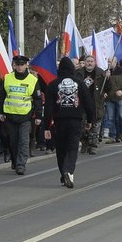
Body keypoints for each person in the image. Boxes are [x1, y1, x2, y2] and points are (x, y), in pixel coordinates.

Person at [43, 57, 94, 189]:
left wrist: (46, 126)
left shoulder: (53, 84)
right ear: (72, 68)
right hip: (75, 120)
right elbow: (89, 103)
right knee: (72, 147)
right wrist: (90, 120)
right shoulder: (80, 83)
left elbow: (48, 108)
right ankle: (68, 171)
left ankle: (63, 173)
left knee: (61, 149)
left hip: (59, 122)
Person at [0, 55, 42, 175]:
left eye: (22, 64)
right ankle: (14, 160)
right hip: (10, 115)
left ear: (26, 65)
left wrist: (38, 116)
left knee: (23, 141)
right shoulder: (7, 77)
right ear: (14, 65)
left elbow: (38, 99)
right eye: (17, 64)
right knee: (13, 141)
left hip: (25, 116)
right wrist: (0, 112)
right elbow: (2, 96)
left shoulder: (32, 80)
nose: (19, 67)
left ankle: (21, 164)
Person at [77, 55, 105, 155]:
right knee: (82, 126)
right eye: (87, 61)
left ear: (95, 62)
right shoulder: (79, 73)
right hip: (82, 104)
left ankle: (93, 146)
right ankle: (84, 142)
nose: (89, 63)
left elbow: (108, 87)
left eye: (91, 61)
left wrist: (108, 79)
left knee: (95, 126)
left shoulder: (101, 73)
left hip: (96, 103)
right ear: (85, 62)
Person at [104, 60, 122, 142]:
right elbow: (103, 85)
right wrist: (106, 78)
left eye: (110, 61)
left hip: (120, 97)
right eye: (108, 61)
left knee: (121, 116)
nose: (109, 63)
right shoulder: (106, 72)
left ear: (115, 62)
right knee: (110, 118)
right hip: (110, 98)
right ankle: (112, 135)